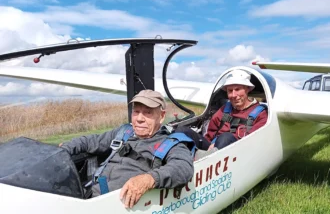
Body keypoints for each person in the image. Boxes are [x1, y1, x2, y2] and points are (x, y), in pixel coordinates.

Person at [60, 90, 194, 208]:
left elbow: (183, 168)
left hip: (116, 205)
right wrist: (63, 150)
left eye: (148, 113)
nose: (139, 119)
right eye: (136, 112)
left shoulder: (171, 143)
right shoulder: (124, 132)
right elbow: (91, 141)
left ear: (162, 116)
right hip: (89, 195)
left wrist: (148, 180)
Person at [176, 69, 268, 152]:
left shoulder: (261, 114)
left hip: (239, 153)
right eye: (230, 91)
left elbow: (253, 144)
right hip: (213, 148)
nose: (233, 95)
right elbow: (209, 136)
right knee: (182, 130)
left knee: (225, 137)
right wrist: (209, 147)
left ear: (247, 89)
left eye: (237, 89)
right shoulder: (225, 109)